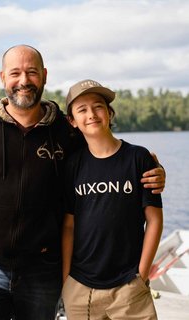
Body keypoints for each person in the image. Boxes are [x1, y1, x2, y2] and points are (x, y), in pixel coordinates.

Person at [0, 45, 165, 320]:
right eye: (15, 73)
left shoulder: (67, 130)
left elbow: (108, 156)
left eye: (32, 72)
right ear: (2, 78)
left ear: (44, 75)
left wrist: (154, 171)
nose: (24, 80)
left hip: (42, 271)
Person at [62, 79, 163, 320]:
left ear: (109, 112)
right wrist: (66, 281)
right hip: (81, 288)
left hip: (130, 285)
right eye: (82, 109)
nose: (91, 114)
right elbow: (68, 225)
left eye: (98, 106)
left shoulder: (138, 158)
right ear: (72, 121)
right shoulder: (73, 165)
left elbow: (155, 221)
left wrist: (142, 275)